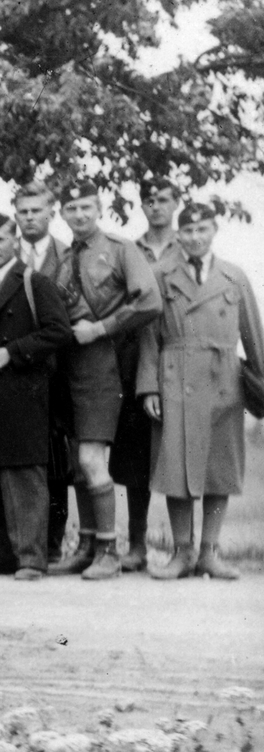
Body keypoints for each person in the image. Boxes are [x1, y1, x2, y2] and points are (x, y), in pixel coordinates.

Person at [139, 199, 264, 580]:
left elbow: (254, 336)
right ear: (179, 234)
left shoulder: (234, 276)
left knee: (219, 467)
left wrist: (260, 383)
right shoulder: (161, 274)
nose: (195, 238)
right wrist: (148, 388)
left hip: (223, 378)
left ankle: (210, 552)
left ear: (213, 231)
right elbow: (148, 336)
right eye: (188, 231)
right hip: (175, 376)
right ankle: (182, 553)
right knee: (176, 465)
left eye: (202, 230)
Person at [52, 180, 163, 579]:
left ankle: (109, 552)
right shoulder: (63, 260)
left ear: (98, 208)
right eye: (71, 209)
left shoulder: (120, 249)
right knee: (78, 462)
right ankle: (86, 545)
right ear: (62, 214)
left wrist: (100, 329)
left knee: (91, 459)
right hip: (71, 367)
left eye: (85, 207)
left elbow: (149, 300)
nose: (79, 215)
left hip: (106, 365)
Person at [0, 214, 74, 579]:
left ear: (15, 241)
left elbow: (59, 331)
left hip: (22, 395)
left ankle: (31, 559)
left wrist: (14, 352)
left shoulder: (33, 282)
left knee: (23, 476)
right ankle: (1, 556)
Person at [107, 178, 184, 572]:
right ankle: (136, 545)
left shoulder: (187, 247)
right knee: (135, 456)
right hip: (135, 359)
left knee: (177, 454)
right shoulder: (128, 250)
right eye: (149, 201)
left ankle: (182, 548)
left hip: (178, 357)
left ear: (176, 204)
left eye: (163, 200)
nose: (156, 207)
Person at [13, 181, 76, 564]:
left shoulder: (68, 257)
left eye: (37, 210)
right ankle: (19, 543)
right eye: (23, 211)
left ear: (51, 213)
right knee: (18, 454)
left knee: (56, 457)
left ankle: (51, 544)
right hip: (16, 371)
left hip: (59, 371)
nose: (30, 217)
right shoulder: (2, 256)